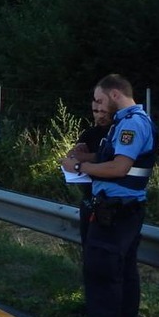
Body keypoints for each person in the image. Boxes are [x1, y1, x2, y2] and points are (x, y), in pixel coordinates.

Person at [61, 74, 157, 317]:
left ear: (115, 95)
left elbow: (118, 167)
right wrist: (84, 155)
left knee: (102, 277)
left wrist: (79, 166)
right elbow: (109, 155)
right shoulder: (124, 123)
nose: (96, 105)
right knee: (124, 278)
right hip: (122, 211)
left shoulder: (131, 124)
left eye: (100, 100)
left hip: (116, 212)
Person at [62, 100, 112, 247]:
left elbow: (108, 158)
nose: (99, 116)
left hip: (110, 197)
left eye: (103, 111)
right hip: (89, 195)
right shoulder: (90, 133)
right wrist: (76, 152)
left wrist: (84, 159)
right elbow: (72, 155)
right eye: (96, 112)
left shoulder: (116, 133)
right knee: (88, 243)